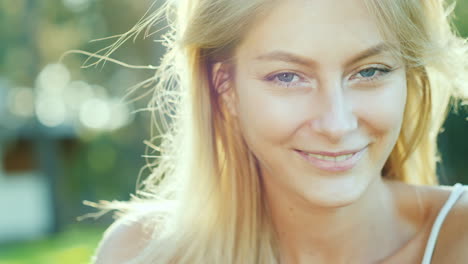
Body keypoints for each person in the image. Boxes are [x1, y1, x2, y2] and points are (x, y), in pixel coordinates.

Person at [92, 0, 468, 263]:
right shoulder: (138, 255)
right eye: (287, 77)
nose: (337, 124)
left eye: (369, 71)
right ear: (226, 89)